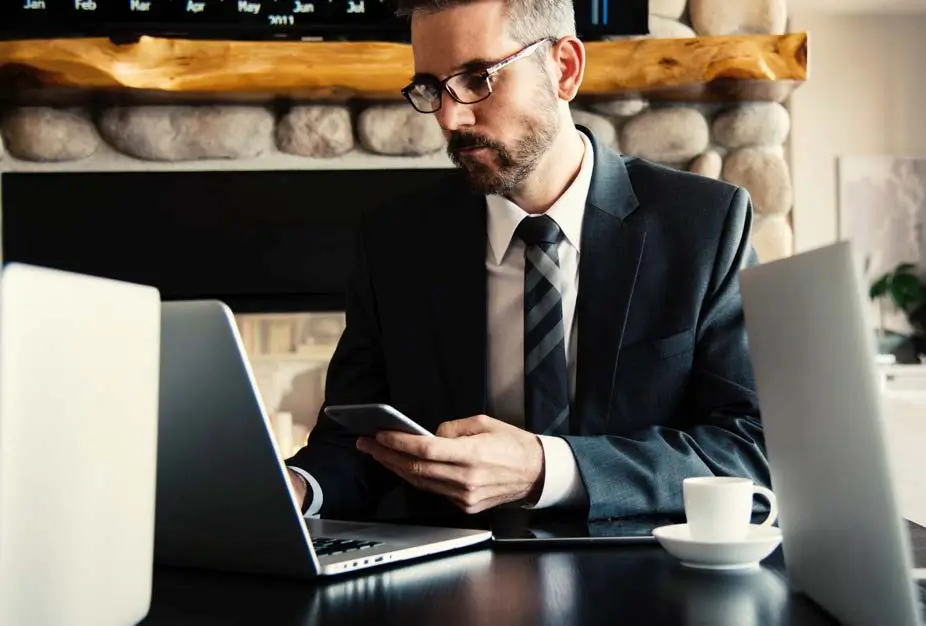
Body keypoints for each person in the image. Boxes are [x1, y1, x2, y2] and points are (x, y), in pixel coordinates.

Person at [285, 0, 769, 526]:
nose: (451, 117)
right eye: (430, 87)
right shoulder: (394, 241)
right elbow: (356, 445)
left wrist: (547, 469)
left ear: (564, 68)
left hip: (643, 580)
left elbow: (748, 448)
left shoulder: (705, 225)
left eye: (476, 79)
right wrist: (298, 488)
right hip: (449, 585)